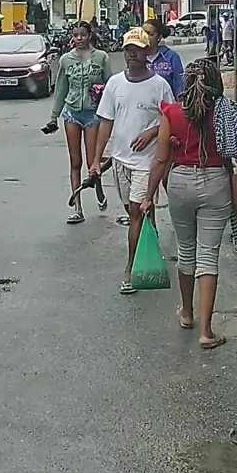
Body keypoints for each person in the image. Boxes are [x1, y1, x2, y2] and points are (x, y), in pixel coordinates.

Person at [140, 59, 237, 349]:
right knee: (208, 256)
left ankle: (187, 313)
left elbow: (160, 159)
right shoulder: (223, 110)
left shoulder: (171, 113)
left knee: (186, 251)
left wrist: (148, 196)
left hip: (180, 183)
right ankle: (206, 332)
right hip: (216, 182)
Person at [90, 27, 174, 294]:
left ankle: (131, 269)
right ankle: (150, 245)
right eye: (128, 49)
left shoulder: (160, 85)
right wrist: (97, 160)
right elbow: (105, 122)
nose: (132, 54)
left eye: (137, 49)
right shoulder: (115, 83)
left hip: (147, 162)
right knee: (134, 211)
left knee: (136, 213)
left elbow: (170, 118)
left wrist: (152, 132)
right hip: (121, 160)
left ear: (147, 51)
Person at [47, 21, 112, 224]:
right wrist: (53, 116)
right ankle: (78, 207)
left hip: (93, 113)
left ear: (90, 35)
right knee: (75, 162)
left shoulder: (101, 57)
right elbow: (61, 89)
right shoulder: (66, 60)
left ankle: (98, 187)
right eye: (75, 35)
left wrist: (108, 103)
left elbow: (111, 85)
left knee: (93, 161)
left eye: (82, 35)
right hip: (72, 113)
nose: (79, 39)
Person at [143, 18, 184, 99]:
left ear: (159, 37)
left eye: (150, 34)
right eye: (143, 33)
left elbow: (179, 86)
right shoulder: (136, 57)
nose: (146, 37)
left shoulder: (171, 57)